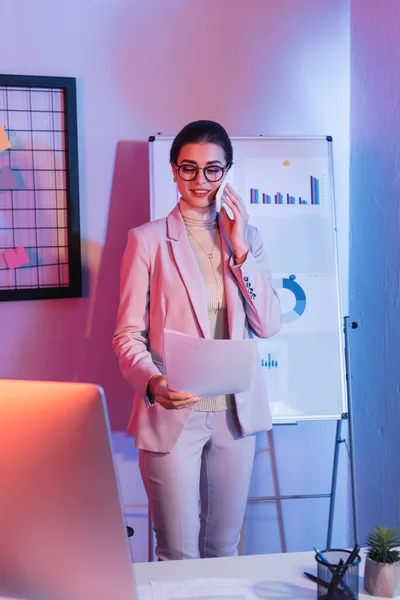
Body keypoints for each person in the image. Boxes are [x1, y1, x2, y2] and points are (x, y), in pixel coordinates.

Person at [112, 120, 282, 561]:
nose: (201, 181)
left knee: (224, 549)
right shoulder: (146, 241)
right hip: (174, 414)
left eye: (212, 170)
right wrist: (153, 383)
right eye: (189, 168)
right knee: (176, 552)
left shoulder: (249, 240)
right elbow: (128, 334)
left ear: (227, 172)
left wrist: (240, 249)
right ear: (173, 170)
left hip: (235, 416)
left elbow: (267, 324)